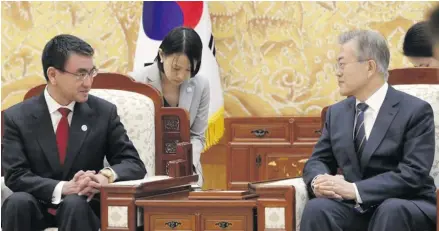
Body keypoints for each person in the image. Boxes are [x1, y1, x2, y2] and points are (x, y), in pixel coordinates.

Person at [1, 34, 147, 231]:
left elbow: (133, 163)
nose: (88, 83)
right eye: (80, 74)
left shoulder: (103, 113)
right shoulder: (17, 117)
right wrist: (63, 188)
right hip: (37, 204)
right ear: (53, 75)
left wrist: (104, 176)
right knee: (17, 203)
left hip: (83, 207)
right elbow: (15, 175)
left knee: (74, 204)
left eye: (91, 72)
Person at [300, 30, 436, 231]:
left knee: (391, 210)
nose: (337, 72)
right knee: (317, 208)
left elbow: (413, 174)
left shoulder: (416, 110)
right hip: (357, 208)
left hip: (406, 204)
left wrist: (355, 189)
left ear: (370, 66)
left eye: (342, 64)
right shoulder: (336, 113)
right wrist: (319, 180)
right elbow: (318, 160)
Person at [130, 26, 209, 187]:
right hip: (145, 166)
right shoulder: (137, 81)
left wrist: (183, 164)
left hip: (186, 169)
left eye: (189, 69)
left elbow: (198, 136)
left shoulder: (201, 85)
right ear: (161, 55)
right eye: (176, 68)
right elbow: (131, 133)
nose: (181, 76)